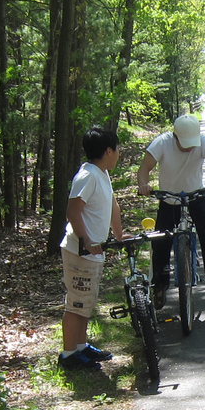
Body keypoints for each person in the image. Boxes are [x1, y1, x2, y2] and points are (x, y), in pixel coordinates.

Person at [137, 114, 205, 309]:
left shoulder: (203, 142)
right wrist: (144, 185)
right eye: (185, 143)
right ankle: (158, 285)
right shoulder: (162, 143)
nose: (189, 147)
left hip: (196, 197)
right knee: (160, 241)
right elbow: (144, 169)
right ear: (175, 136)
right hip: (169, 199)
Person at [58, 126, 125, 371]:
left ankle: (81, 346)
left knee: (85, 301)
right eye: (117, 149)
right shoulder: (87, 175)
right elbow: (73, 211)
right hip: (80, 251)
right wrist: (85, 240)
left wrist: (119, 235)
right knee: (76, 303)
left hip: (93, 251)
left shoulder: (102, 174)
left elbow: (113, 206)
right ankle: (68, 355)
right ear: (108, 151)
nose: (118, 153)